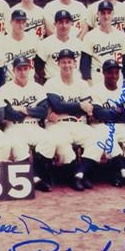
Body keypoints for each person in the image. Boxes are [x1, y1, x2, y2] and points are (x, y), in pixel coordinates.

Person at [35, 49, 103, 192]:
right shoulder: (51, 83)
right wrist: (79, 106)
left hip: (78, 123)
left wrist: (68, 108)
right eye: (63, 62)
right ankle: (73, 177)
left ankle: (79, 174)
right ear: (58, 64)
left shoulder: (82, 84)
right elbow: (57, 106)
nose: (67, 65)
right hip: (57, 124)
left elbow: (89, 108)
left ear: (75, 64)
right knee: (62, 142)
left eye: (69, 62)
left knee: (98, 140)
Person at [90, 59, 125, 188]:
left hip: (120, 125)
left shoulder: (124, 90)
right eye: (110, 72)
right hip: (100, 125)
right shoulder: (95, 89)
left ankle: (120, 172)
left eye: (116, 72)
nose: (114, 76)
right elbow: (98, 113)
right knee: (109, 138)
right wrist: (118, 112)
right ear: (103, 73)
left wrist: (110, 113)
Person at [0, 56, 49, 163]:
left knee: (49, 141)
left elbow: (44, 112)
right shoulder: (5, 89)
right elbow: (9, 114)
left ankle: (39, 174)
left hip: (34, 126)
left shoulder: (37, 88)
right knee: (17, 145)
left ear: (30, 69)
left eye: (25, 68)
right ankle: (30, 176)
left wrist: (24, 109)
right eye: (19, 69)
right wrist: (34, 111)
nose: (22, 72)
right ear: (13, 70)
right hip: (14, 127)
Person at [81, 1, 125, 86]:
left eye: (109, 13)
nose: (106, 16)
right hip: (98, 76)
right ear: (98, 15)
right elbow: (85, 64)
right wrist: (89, 82)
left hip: (117, 76)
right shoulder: (90, 36)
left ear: (113, 14)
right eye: (103, 13)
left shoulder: (121, 35)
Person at [35, 9, 85, 83]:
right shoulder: (45, 43)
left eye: (67, 22)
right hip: (54, 84)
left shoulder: (78, 43)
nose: (64, 26)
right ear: (55, 24)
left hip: (75, 82)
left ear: (71, 24)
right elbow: (38, 67)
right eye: (60, 22)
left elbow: (83, 66)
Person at [1, 9, 39, 82]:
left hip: (30, 82)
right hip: (10, 83)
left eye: (23, 22)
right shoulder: (2, 42)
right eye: (18, 22)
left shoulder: (33, 39)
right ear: (11, 22)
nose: (21, 25)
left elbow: (39, 61)